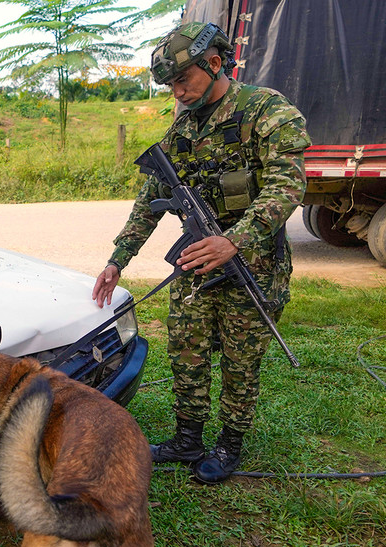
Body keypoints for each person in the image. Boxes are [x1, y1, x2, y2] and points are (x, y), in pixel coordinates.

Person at [91, 22, 310, 484]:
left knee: (239, 359)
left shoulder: (267, 111)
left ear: (214, 63)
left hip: (251, 264)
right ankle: (188, 437)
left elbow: (287, 186)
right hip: (195, 264)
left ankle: (229, 443)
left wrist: (234, 239)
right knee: (186, 351)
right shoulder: (184, 126)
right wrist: (118, 260)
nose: (178, 91)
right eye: (170, 84)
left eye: (182, 79)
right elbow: (151, 195)